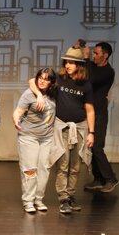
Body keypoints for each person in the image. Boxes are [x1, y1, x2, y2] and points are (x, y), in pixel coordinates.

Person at [32, 47, 95, 214]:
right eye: (66, 62)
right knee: (63, 163)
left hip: (79, 128)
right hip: (61, 128)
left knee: (76, 165)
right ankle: (63, 198)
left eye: (71, 62)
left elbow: (90, 110)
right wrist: (39, 95)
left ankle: (71, 195)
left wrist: (91, 133)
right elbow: (33, 81)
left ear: (79, 65)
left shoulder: (86, 84)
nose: (67, 65)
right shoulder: (59, 79)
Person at [13, 68, 57, 213]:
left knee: (44, 169)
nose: (42, 81)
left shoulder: (53, 94)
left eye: (46, 79)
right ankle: (28, 201)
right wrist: (16, 119)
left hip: (47, 137)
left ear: (51, 82)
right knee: (30, 169)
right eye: (40, 78)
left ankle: (38, 199)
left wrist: (40, 95)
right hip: (29, 136)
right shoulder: (28, 94)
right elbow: (18, 111)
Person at [80, 41, 119, 193]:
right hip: (90, 112)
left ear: (105, 55)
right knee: (92, 147)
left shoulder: (108, 72)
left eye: (97, 53)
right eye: (93, 53)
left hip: (99, 113)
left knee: (97, 146)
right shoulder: (93, 66)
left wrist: (86, 59)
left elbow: (89, 79)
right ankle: (98, 179)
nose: (94, 56)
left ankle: (111, 179)